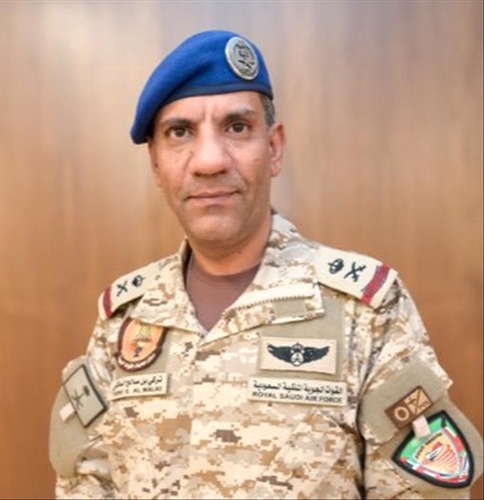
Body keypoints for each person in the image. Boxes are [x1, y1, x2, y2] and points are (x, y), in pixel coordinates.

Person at [49, 30, 482, 499]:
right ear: (156, 162)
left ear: (273, 148)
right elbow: (85, 481)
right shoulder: (125, 318)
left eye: (236, 127)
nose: (209, 161)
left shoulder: (365, 310)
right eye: (180, 132)